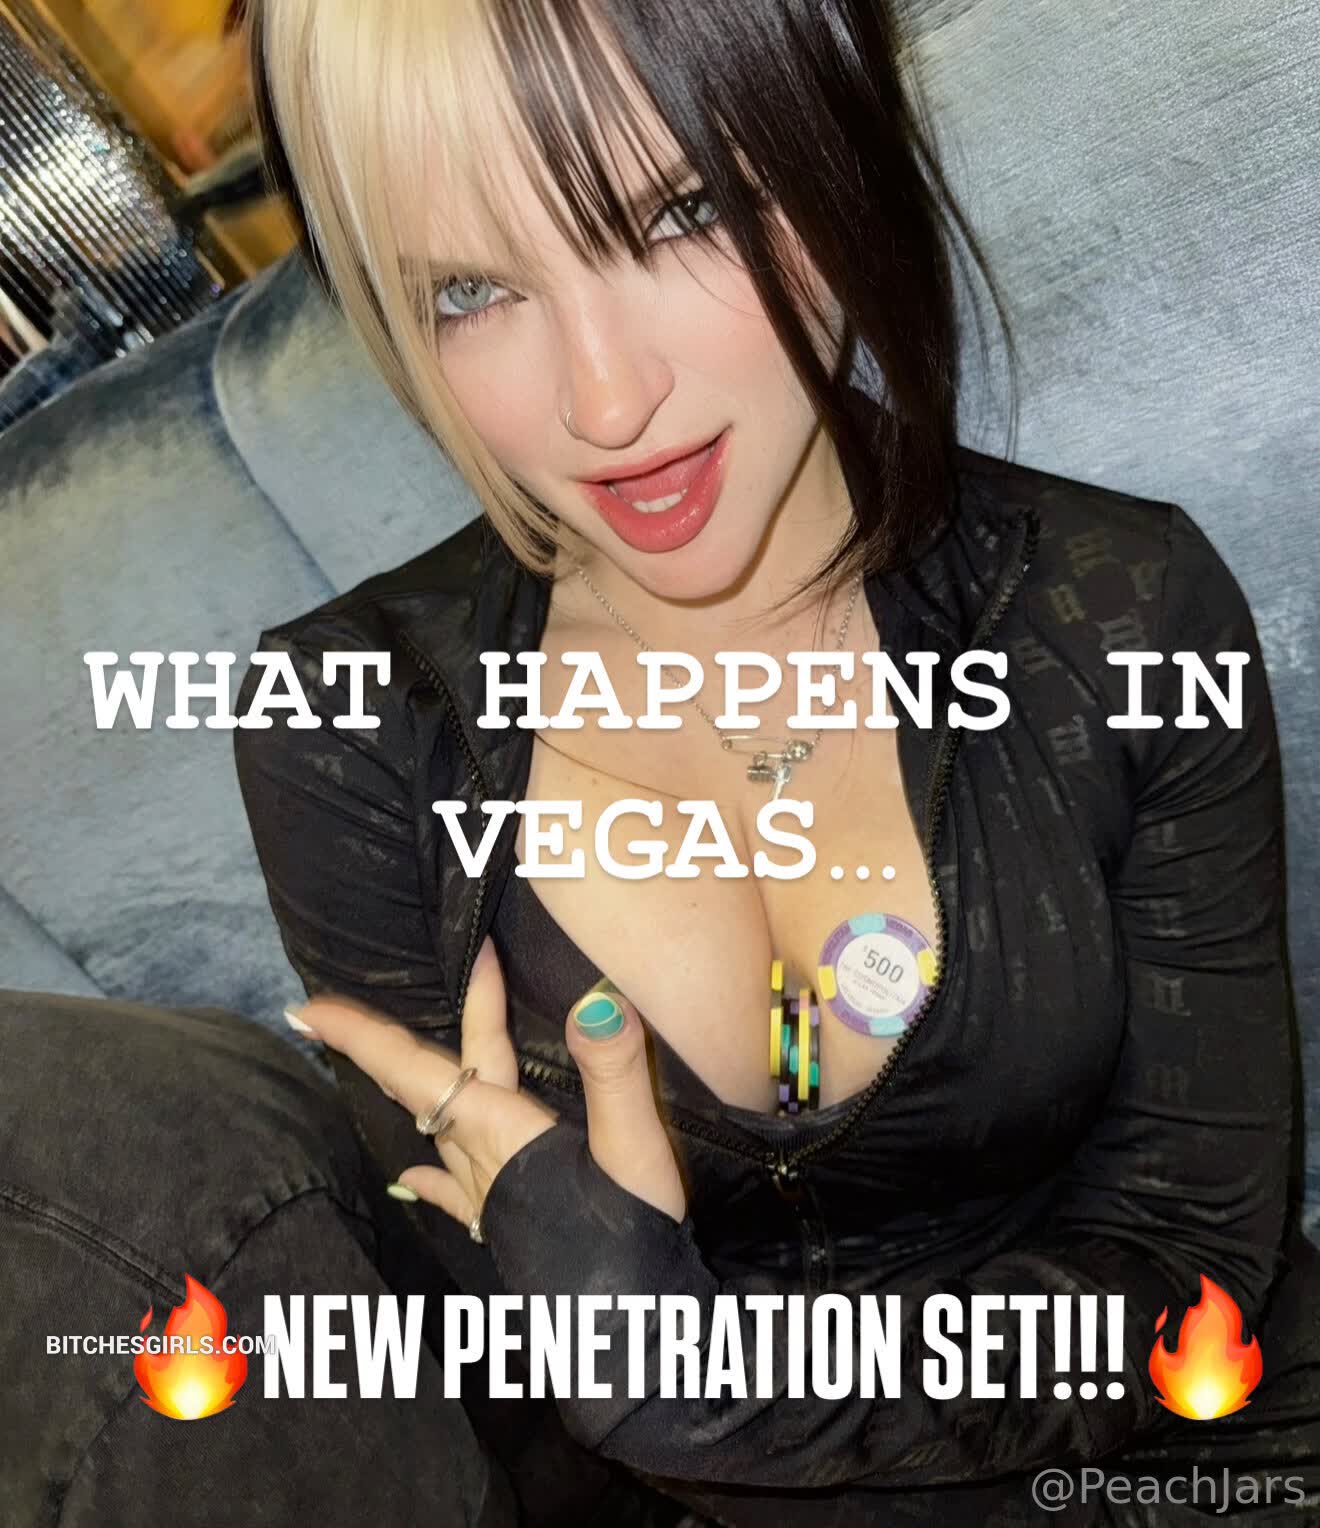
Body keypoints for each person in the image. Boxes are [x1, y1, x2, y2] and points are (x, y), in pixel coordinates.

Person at [39, 0, 1314, 1522]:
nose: (604, 403)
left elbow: (1187, 1250)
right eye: (471, 291)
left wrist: (701, 1378)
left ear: (832, 138)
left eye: (678, 215)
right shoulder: (353, 729)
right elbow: (512, 1353)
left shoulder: (1123, 611)